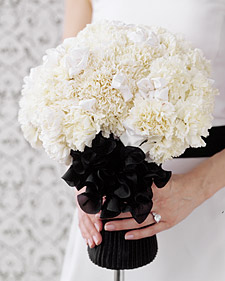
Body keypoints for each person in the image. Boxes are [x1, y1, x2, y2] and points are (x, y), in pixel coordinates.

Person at [60, 0, 225, 280]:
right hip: (106, 210)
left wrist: (196, 189)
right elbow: (65, 90)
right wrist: (84, 180)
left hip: (210, 201)